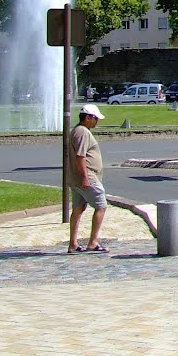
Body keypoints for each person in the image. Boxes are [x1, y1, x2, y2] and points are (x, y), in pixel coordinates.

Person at [67, 104, 109, 254]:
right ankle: (93, 242)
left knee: (78, 208)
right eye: (95, 118)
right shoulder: (83, 132)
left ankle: (73, 243)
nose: (96, 121)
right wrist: (86, 178)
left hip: (77, 178)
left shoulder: (78, 131)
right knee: (101, 206)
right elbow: (80, 156)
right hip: (87, 177)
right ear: (88, 117)